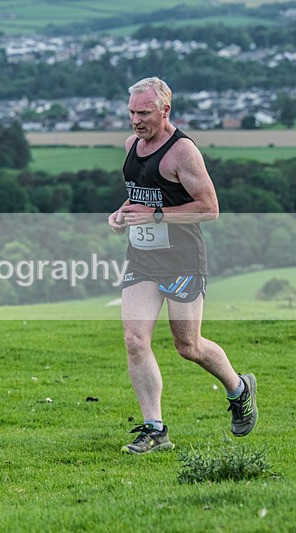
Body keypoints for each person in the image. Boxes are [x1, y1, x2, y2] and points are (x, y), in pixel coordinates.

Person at [107, 77, 257, 454]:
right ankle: (155, 429)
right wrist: (122, 215)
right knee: (134, 339)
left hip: (183, 261)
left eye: (144, 112)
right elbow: (139, 199)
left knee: (187, 345)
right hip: (142, 260)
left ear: (165, 110)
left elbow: (210, 209)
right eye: (131, 112)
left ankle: (239, 389)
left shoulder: (182, 152)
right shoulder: (131, 146)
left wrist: (155, 215)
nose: (136, 120)